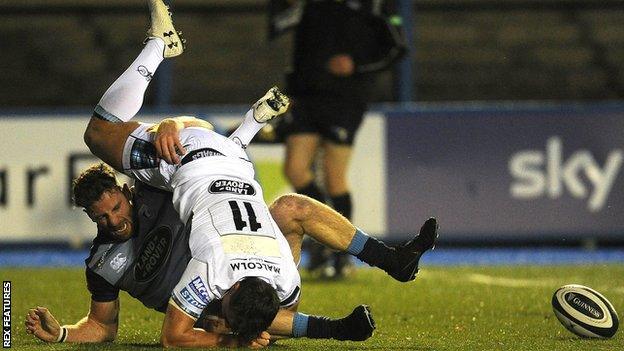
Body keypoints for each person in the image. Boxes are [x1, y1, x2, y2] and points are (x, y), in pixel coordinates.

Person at [25, 0, 436, 347]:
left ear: (126, 191)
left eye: (114, 207)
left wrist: (162, 126)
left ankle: (164, 53)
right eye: (102, 218)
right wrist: (61, 333)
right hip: (233, 173)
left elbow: (174, 337)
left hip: (221, 192)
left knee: (104, 132)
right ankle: (247, 129)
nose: (114, 220)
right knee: (277, 202)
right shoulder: (103, 263)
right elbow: (103, 325)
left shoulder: (161, 203)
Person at [276, 0, 408, 278]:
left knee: (334, 176)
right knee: (295, 170)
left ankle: (342, 254)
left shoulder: (375, 5)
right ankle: (322, 240)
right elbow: (280, 26)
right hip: (306, 93)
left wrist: (356, 65)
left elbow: (397, 47)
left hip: (345, 98)